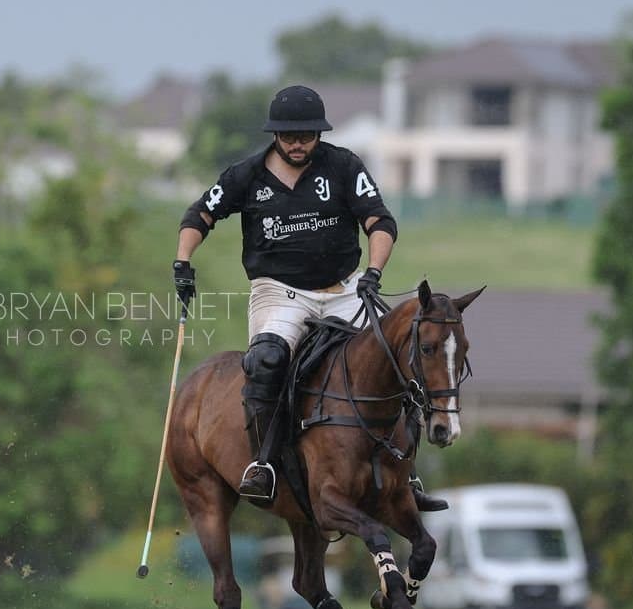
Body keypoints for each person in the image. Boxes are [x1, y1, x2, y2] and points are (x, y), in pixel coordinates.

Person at [172, 84, 447, 511]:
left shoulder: (342, 165)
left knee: (398, 350)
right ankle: (263, 464)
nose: (298, 143)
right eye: (289, 136)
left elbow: (379, 221)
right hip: (280, 293)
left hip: (343, 288)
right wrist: (183, 263)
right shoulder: (247, 175)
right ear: (275, 135)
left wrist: (373, 273)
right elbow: (200, 215)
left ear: (319, 133)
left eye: (306, 135)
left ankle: (405, 471)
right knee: (266, 361)